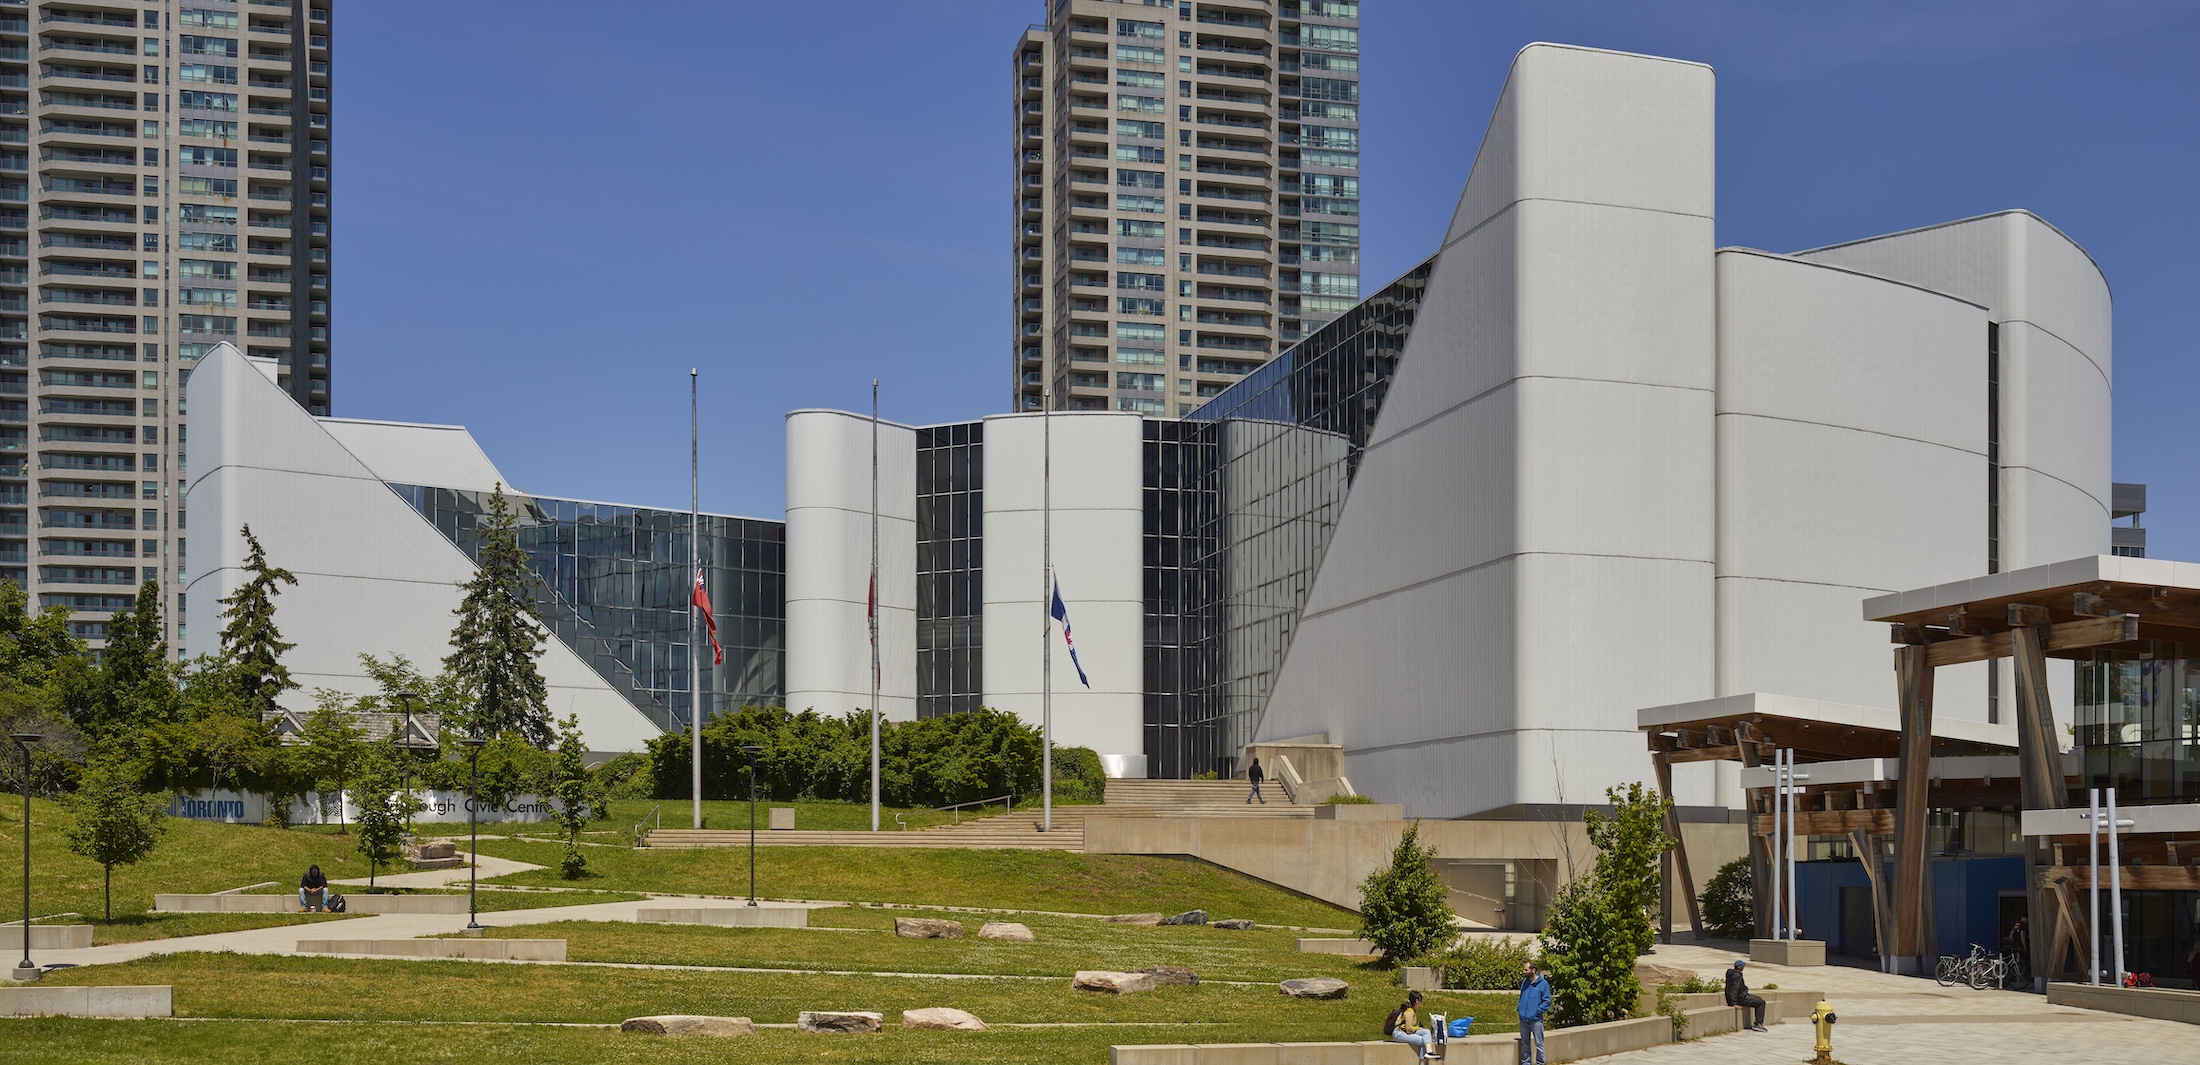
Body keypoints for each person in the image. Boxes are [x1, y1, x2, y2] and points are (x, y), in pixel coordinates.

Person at [1517, 959, 1551, 1065]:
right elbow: (1521, 997)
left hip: (1536, 1020)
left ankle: (1540, 1063)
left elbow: (1546, 1001)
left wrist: (1537, 1011)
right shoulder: (1525, 983)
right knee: (1525, 1044)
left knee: (1539, 1044)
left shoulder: (1543, 984)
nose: (1524, 972)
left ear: (1533, 970)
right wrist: (1520, 1008)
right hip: (1524, 1019)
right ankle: (1526, 1062)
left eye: (1526, 970)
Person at [1385, 989, 1433, 1060]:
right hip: (1399, 1034)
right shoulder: (1409, 1011)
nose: (1421, 1004)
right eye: (1421, 1001)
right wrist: (1418, 1028)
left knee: (1426, 1031)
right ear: (1417, 1001)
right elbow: (1408, 1029)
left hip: (1404, 1032)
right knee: (1424, 1041)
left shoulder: (1412, 1010)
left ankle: (1429, 1051)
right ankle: (1423, 1061)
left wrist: (1419, 1028)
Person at [1725, 958, 1767, 1032]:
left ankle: (1758, 1023)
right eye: (1743, 967)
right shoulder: (1737, 976)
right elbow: (1734, 989)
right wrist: (1734, 1004)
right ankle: (1758, 1024)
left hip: (1740, 997)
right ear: (1740, 968)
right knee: (1761, 1002)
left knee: (1759, 999)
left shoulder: (1731, 975)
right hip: (1741, 998)